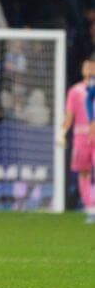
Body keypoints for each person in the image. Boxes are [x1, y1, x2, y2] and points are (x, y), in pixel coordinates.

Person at [58, 57, 95, 223]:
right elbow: (69, 115)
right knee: (84, 172)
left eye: (91, 66)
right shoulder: (75, 91)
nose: (88, 69)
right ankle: (90, 208)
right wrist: (62, 132)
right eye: (85, 66)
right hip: (81, 136)